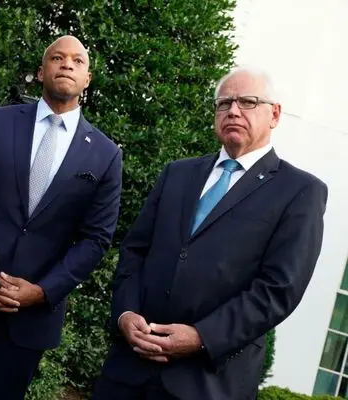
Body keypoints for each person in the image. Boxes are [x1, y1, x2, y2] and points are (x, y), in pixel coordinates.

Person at [93, 67, 328, 400]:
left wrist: (201, 336)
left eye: (247, 102)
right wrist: (126, 314)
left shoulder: (300, 191)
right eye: (224, 103)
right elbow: (135, 252)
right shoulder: (177, 173)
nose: (233, 110)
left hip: (208, 382)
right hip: (128, 372)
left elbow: (279, 289)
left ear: (274, 114)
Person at [0, 35, 123, 400]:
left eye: (77, 61)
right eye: (57, 58)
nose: (67, 64)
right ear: (40, 71)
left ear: (87, 79)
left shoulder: (106, 155)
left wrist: (42, 291)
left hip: (31, 317)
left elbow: (96, 239)